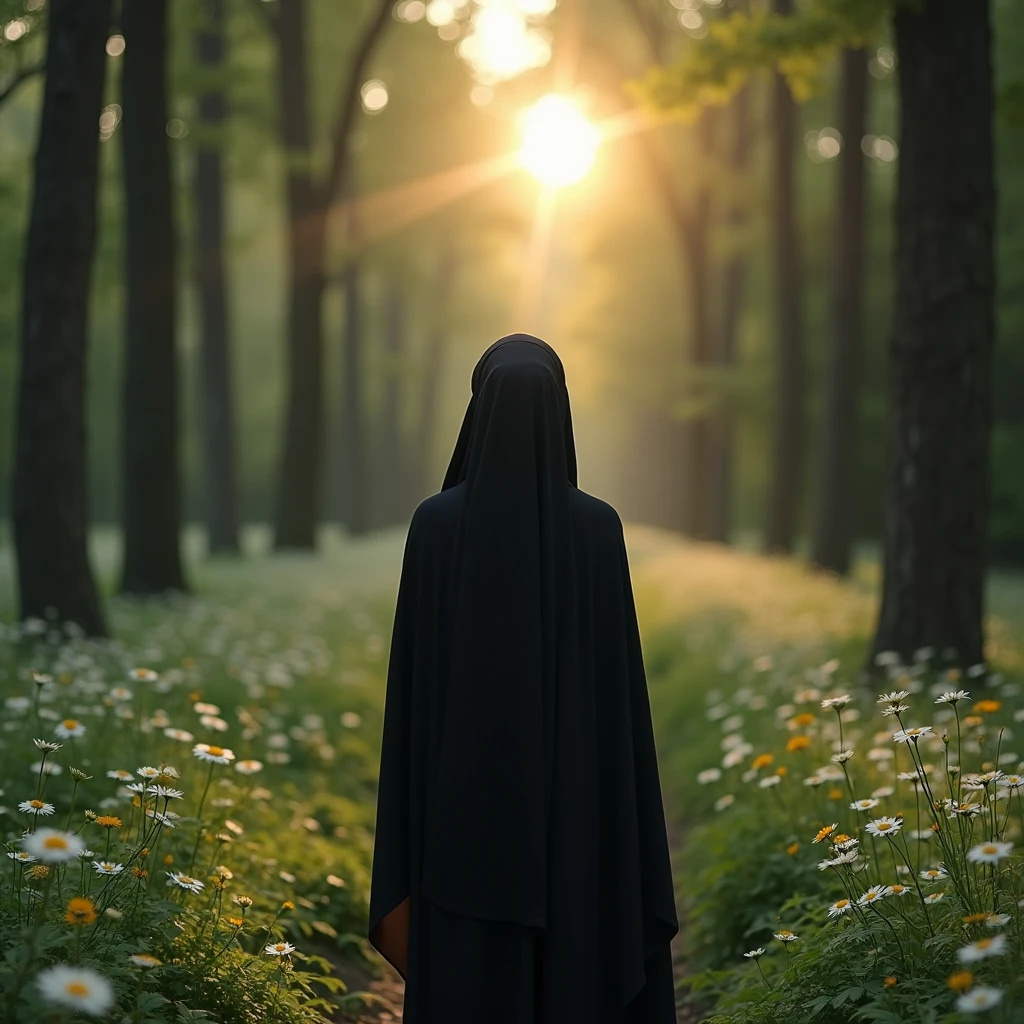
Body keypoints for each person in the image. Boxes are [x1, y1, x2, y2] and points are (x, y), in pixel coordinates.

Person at [368, 334, 679, 1023]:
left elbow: (411, 705)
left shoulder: (435, 527)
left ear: (476, 413)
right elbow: (617, 710)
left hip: (458, 834)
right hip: (579, 828)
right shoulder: (597, 532)